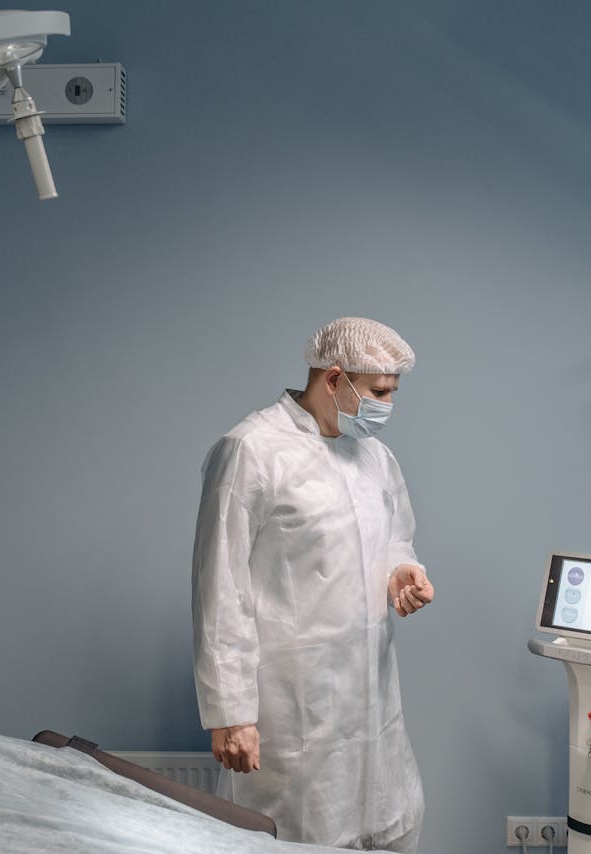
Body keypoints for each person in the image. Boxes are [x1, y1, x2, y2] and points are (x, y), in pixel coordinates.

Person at [191, 316, 435, 852]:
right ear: (333, 378)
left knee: (390, 822)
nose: (387, 406)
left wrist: (401, 571)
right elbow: (219, 587)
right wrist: (231, 713)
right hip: (292, 707)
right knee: (297, 837)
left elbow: (396, 536)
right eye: (378, 392)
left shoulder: (373, 455)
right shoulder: (251, 451)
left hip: (370, 697)